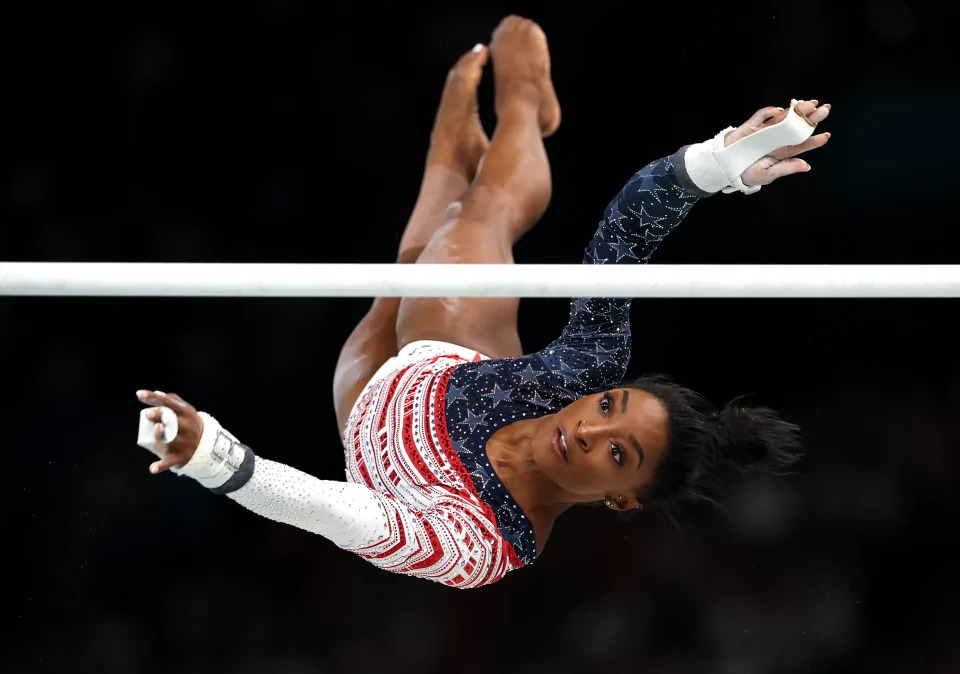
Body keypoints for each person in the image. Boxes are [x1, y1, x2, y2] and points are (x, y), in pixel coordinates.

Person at [135, 15, 828, 589]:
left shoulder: (481, 546)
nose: (588, 430)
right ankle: (525, 108)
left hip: (368, 434)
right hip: (449, 357)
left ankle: (451, 151)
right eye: (609, 408)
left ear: (623, 499)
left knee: (409, 264)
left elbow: (335, 513)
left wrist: (215, 459)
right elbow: (623, 233)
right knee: (477, 221)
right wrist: (717, 164)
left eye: (618, 456)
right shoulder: (584, 370)